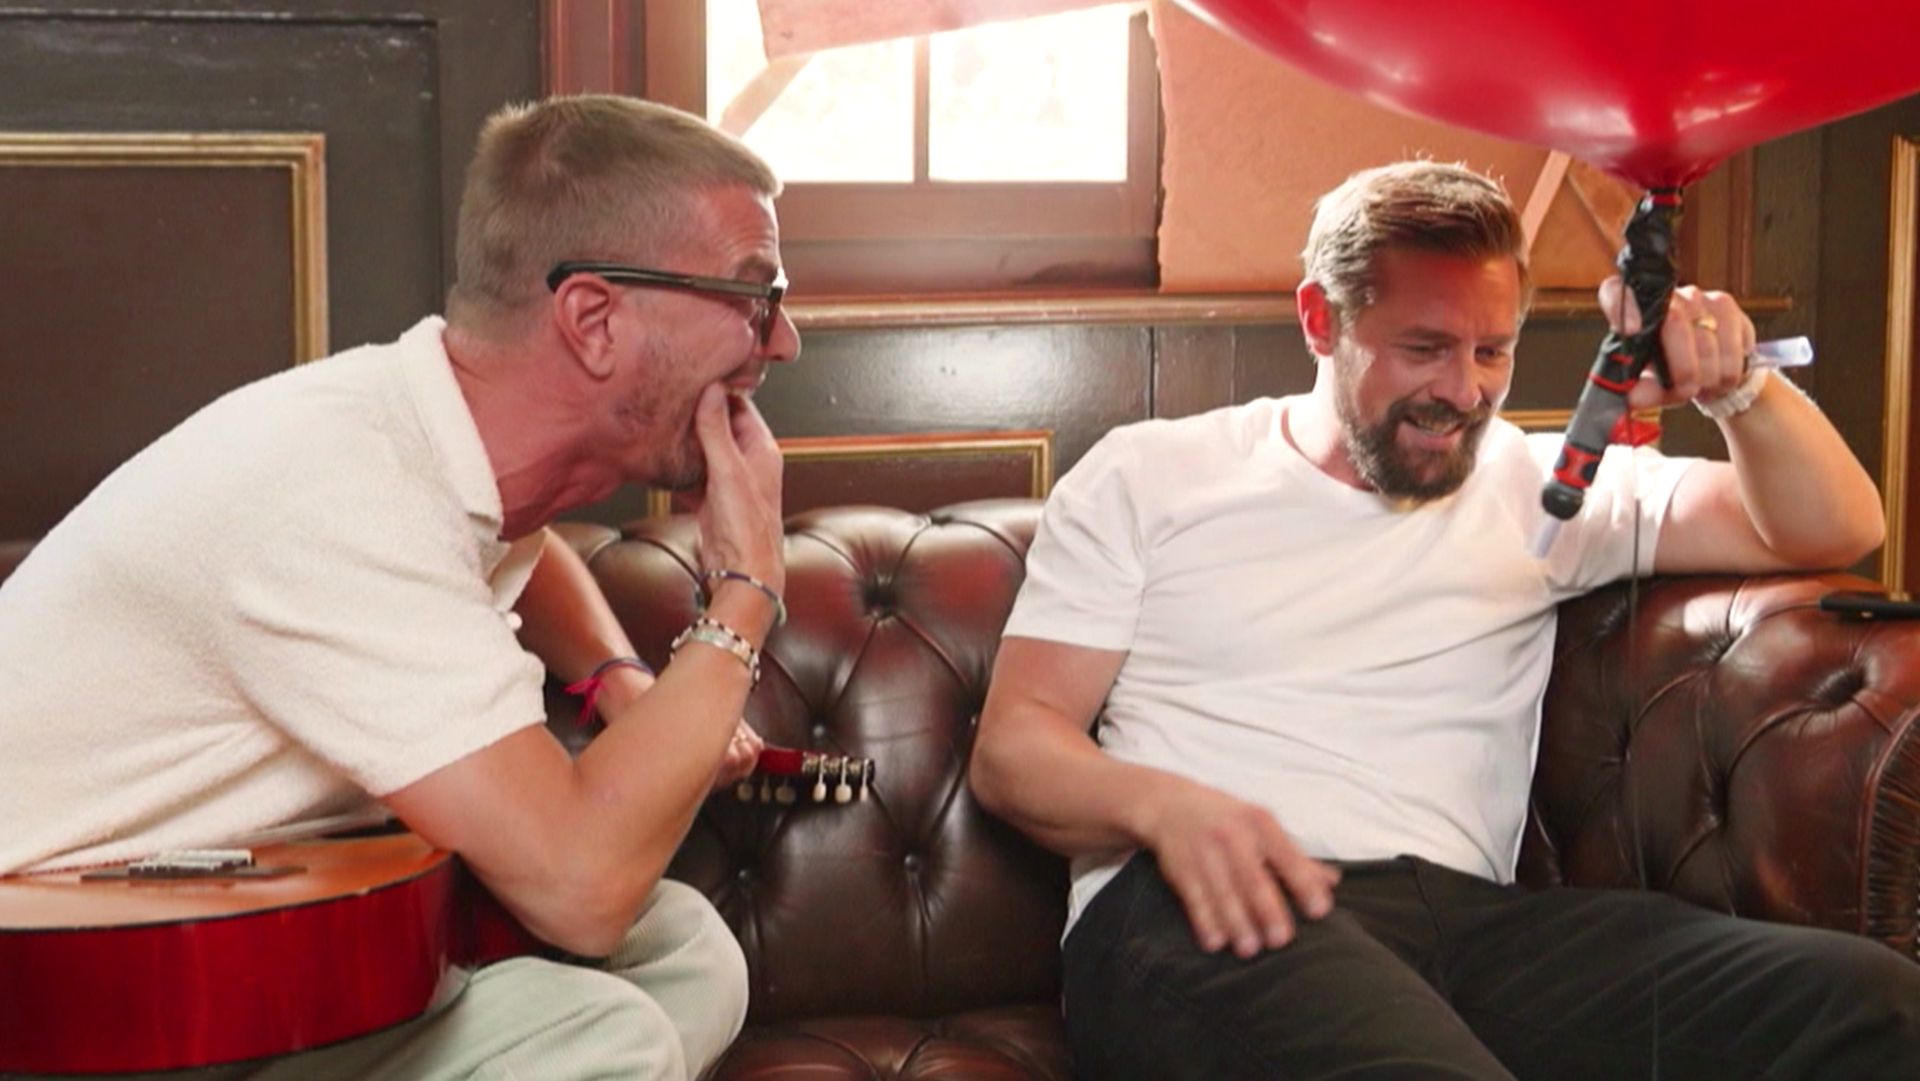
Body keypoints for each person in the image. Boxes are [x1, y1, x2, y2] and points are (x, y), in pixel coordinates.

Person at [969, 161, 1920, 1080]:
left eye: (1491, 351)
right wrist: (1167, 808)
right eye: (1424, 349)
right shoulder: (1149, 474)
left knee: (1875, 1005)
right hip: (1201, 912)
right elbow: (1014, 748)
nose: (1464, 392)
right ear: (1321, 320)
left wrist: (1736, 388)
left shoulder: (1543, 488)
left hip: (1467, 929)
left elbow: (1839, 526)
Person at [0, 95, 797, 1080]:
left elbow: (520, 544)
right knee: (609, 1029)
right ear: (594, 320)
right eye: (753, 296)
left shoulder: (427, 437)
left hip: (240, 951)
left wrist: (612, 674)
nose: (783, 341)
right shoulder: (336, 496)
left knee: (685, 949)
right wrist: (746, 589)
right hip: (83, 1003)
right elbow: (582, 888)